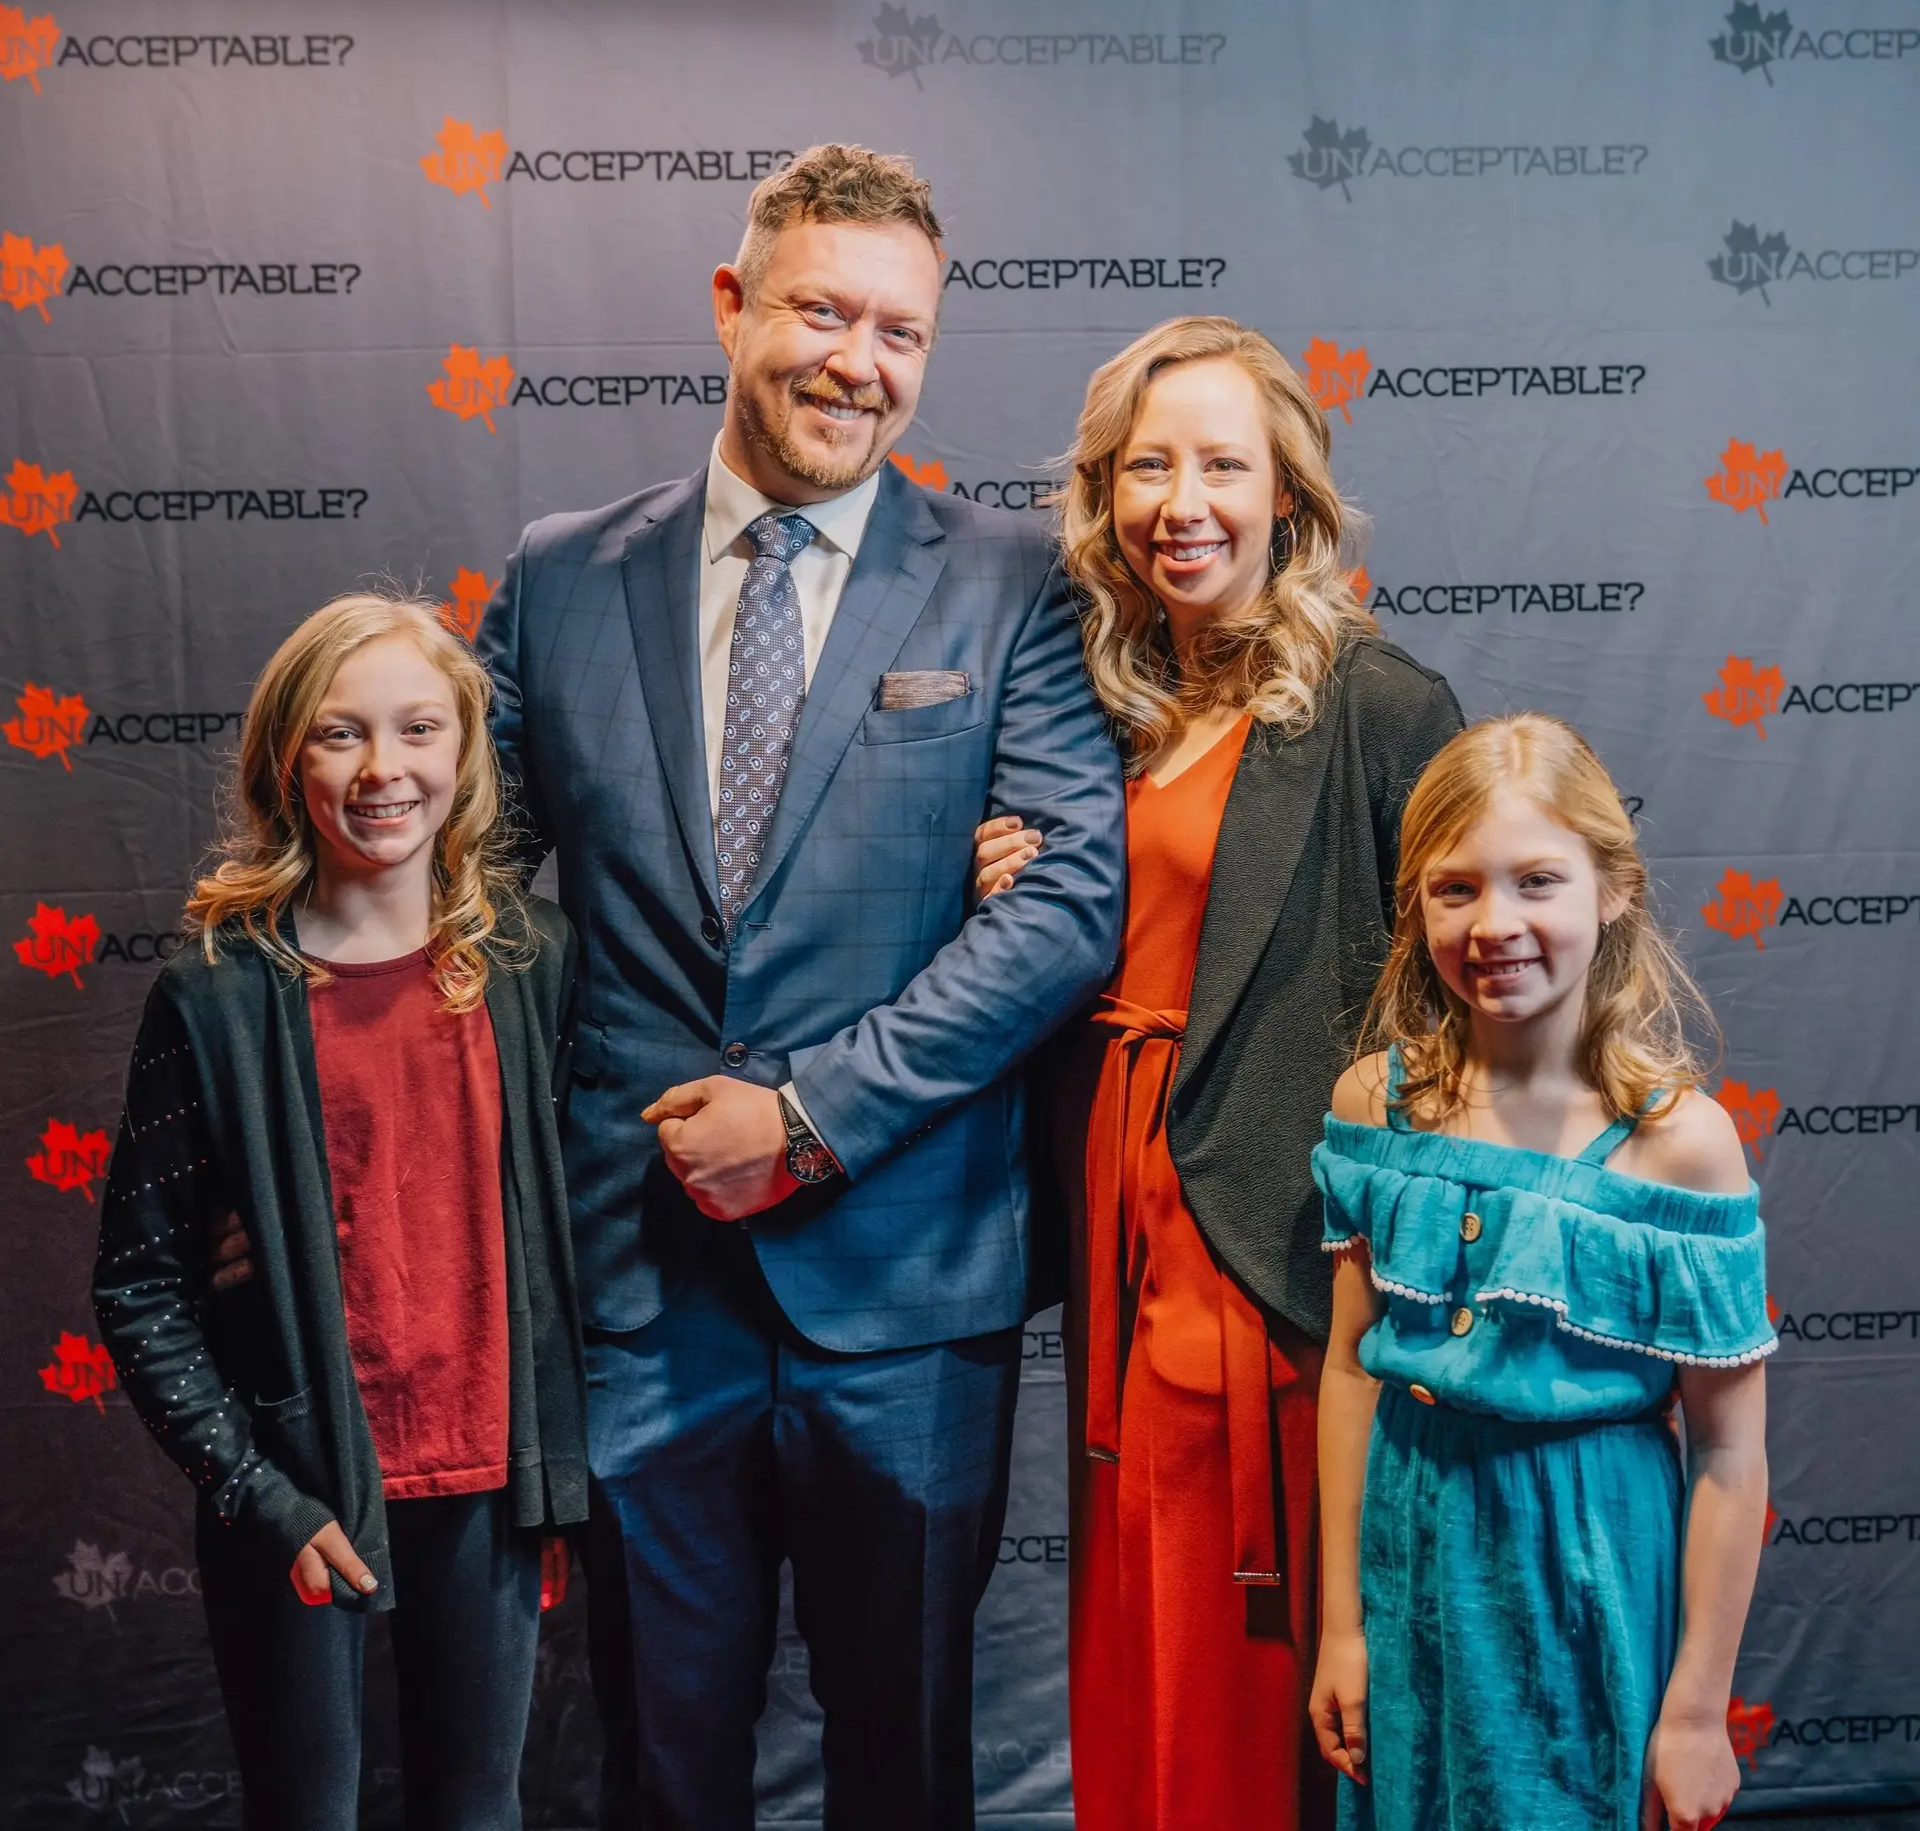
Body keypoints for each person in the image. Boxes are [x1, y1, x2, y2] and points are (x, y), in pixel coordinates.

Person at [475, 142, 1126, 1830]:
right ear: (730, 305)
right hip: (643, 1295)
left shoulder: (1015, 582)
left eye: (900, 333)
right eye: (822, 312)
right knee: (662, 1766)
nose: (858, 362)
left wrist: (815, 1114)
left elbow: (1065, 906)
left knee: (904, 1761)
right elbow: (449, 887)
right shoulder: (558, 576)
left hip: (907, 1298)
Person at [973, 315, 1462, 1831]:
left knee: (1256, 1622)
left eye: (1222, 465)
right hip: (1116, 1214)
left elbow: (1456, 1004)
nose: (1181, 500)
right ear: (1104, 496)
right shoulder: (1094, 707)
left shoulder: (1380, 706)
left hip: (1271, 1233)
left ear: (1291, 499)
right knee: (1138, 1593)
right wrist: (1013, 894)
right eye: (1145, 466)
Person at [91, 595, 587, 1831]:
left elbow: (581, 1211)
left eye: (418, 729)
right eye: (339, 735)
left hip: (490, 1480)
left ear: (466, 751)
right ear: (282, 761)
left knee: (480, 1807)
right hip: (303, 1483)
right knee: (306, 1809)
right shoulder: (214, 993)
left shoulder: (532, 959)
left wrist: (560, 1468)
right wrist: (263, 1497)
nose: (384, 770)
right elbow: (140, 1285)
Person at [1309, 713, 1772, 1831]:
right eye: (1455, 889)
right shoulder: (1376, 1104)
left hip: (1590, 1569)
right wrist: (1341, 1625)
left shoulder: (1681, 1145)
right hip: (1411, 1550)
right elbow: (1351, 1373)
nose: (1495, 924)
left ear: (1612, 890)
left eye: (1538, 882)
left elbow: (1727, 1451)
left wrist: (1697, 1713)